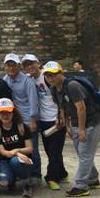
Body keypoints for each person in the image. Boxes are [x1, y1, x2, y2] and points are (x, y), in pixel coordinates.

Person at [44, 61, 100, 197]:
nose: (51, 78)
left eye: (53, 74)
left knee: (84, 154)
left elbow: (81, 108)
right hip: (76, 122)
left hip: (91, 122)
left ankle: (81, 186)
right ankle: (93, 180)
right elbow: (62, 108)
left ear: (61, 73)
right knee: (82, 154)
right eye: (47, 76)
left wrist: (81, 130)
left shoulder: (72, 86)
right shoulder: (54, 89)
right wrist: (67, 126)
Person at [23, 54, 68, 190]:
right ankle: (62, 173)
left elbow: (61, 97)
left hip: (56, 119)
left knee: (54, 150)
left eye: (32, 63)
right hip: (42, 120)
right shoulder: (30, 79)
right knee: (50, 150)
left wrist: (61, 116)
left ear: (38, 63)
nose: (29, 67)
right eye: (26, 65)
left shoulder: (48, 76)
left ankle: (51, 177)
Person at [2, 53, 40, 182]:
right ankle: (20, 173)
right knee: (18, 147)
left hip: (28, 119)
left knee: (32, 148)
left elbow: (33, 101)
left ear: (18, 66)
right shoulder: (5, 80)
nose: (11, 68)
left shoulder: (27, 81)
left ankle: (35, 174)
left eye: (14, 65)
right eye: (8, 65)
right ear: (4, 67)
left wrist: (33, 119)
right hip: (15, 120)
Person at [0, 98, 34, 198]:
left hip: (22, 160)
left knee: (15, 161)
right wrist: (17, 153)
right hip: (5, 160)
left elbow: (30, 149)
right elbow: (3, 152)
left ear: (13, 112)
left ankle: (26, 183)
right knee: (3, 182)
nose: (5, 115)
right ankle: (11, 179)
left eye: (8, 112)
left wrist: (17, 151)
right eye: (2, 113)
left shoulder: (22, 127)